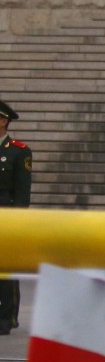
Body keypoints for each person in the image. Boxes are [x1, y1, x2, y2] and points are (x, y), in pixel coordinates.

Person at [0, 99, 31, 335]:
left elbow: (22, 192)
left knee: (5, 271)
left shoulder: (18, 152)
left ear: (3, 121)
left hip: (5, 218)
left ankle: (6, 317)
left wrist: (17, 222)